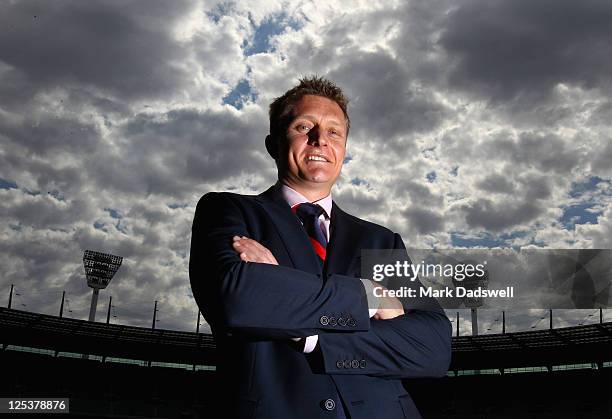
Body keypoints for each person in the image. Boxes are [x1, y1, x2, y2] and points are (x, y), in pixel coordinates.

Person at [189, 76, 451, 419]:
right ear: (273, 143)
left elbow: (431, 348)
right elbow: (238, 299)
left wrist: (308, 334)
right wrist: (369, 295)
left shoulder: (380, 240)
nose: (319, 140)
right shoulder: (229, 211)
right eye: (303, 126)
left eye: (334, 132)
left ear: (343, 148)